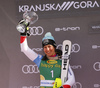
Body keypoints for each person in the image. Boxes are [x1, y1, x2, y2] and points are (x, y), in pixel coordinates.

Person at [18, 20, 75, 88]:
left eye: (49, 46)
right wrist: (23, 34)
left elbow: (72, 79)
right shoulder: (40, 60)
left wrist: (63, 87)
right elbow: (25, 49)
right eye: (45, 47)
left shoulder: (62, 61)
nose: (47, 49)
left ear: (54, 47)